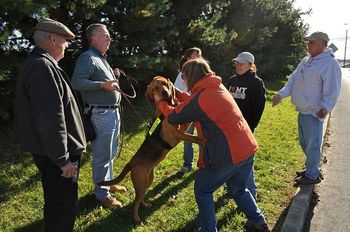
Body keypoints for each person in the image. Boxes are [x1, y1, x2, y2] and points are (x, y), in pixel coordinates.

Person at [155, 58, 269, 232]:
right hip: (246, 147)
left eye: (184, 75)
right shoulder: (215, 86)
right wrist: (176, 92)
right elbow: (195, 100)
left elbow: (174, 117)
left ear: (191, 76)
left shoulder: (201, 97)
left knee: (203, 190)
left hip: (226, 154)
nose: (183, 79)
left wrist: (160, 102)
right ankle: (258, 221)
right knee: (238, 189)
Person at [15, 18, 86, 232]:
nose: (66, 46)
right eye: (65, 41)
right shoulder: (43, 67)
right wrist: (63, 161)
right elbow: (51, 120)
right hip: (57, 158)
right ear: (53, 39)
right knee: (61, 209)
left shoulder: (40, 63)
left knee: (58, 205)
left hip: (53, 154)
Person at [272, 31, 342, 185]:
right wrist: (281, 94)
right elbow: (293, 79)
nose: (307, 44)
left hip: (314, 113)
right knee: (305, 144)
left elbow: (333, 90)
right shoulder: (306, 60)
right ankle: (312, 168)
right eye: (307, 42)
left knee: (312, 146)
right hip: (302, 111)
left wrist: (325, 108)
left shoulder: (330, 64)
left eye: (311, 42)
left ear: (322, 44)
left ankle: (312, 175)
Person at [71, 23, 126, 208]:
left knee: (110, 153)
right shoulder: (87, 57)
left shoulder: (100, 58)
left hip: (111, 112)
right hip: (101, 113)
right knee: (102, 156)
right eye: (105, 36)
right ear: (94, 38)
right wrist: (102, 85)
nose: (109, 39)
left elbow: (105, 83)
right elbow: (77, 82)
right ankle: (102, 195)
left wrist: (114, 76)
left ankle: (107, 184)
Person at [225, 52, 266, 198]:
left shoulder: (256, 83)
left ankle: (251, 192)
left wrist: (249, 128)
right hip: (228, 128)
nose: (238, 65)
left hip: (245, 129)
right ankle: (231, 189)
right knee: (229, 160)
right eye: (237, 62)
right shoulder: (231, 81)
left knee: (245, 162)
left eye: (242, 63)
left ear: (250, 65)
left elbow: (258, 108)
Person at [173, 47, 202, 173]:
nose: (197, 58)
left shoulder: (203, 73)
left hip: (202, 110)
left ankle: (204, 164)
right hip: (188, 110)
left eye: (198, 55)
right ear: (188, 58)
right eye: (194, 55)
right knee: (187, 138)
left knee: (203, 138)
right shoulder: (181, 74)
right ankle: (187, 164)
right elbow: (175, 91)